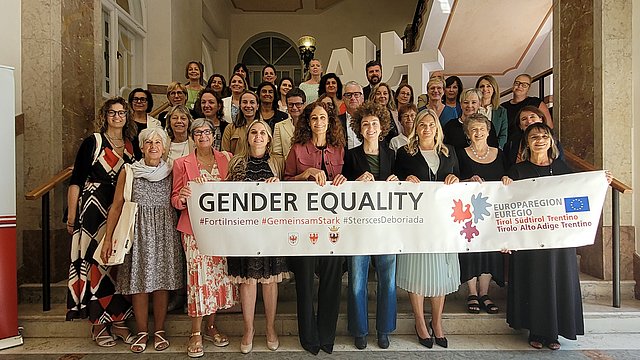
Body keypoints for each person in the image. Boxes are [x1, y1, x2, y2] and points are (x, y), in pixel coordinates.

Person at [501, 122, 612, 350]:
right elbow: (507, 205)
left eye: (544, 136)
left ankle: (554, 333)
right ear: (526, 143)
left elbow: (578, 197)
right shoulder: (517, 171)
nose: (539, 140)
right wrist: (506, 186)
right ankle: (535, 331)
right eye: (534, 137)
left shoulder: (563, 170)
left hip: (559, 238)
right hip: (529, 239)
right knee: (534, 281)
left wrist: (601, 182)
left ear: (551, 141)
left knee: (556, 281)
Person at [101, 127, 184, 353]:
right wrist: (108, 239)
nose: (153, 146)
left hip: (165, 232)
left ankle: (159, 330)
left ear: (165, 147)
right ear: (141, 147)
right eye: (148, 142)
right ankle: (141, 331)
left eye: (158, 142)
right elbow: (117, 205)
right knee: (139, 284)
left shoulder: (172, 170)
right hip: (138, 232)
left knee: (161, 283)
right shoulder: (129, 171)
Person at [66, 97, 136, 347]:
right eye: (112, 112)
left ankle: (118, 320)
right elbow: (76, 179)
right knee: (96, 264)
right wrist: (72, 215)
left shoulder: (131, 145)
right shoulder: (93, 142)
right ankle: (98, 324)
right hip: (93, 210)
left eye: (121, 113)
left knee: (117, 264)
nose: (117, 117)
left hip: (120, 210)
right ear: (104, 116)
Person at [171, 118, 239, 358]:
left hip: (221, 229)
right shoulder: (182, 163)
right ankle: (195, 332)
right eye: (197, 132)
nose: (202, 136)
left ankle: (211, 326)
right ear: (192, 137)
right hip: (194, 230)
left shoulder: (227, 158)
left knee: (218, 278)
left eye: (206, 132)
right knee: (198, 278)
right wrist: (183, 194)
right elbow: (175, 200)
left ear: (214, 134)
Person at [284, 101, 347, 355]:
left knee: (332, 280)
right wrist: (305, 173)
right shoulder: (297, 149)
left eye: (323, 118)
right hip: (303, 228)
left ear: (330, 121)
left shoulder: (341, 150)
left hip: (334, 227)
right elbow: (285, 182)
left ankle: (326, 336)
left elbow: (352, 183)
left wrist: (345, 179)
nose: (319, 122)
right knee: (305, 283)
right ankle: (309, 337)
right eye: (314, 119)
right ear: (308, 123)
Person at [394, 109, 461, 349]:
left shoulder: (449, 151)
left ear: (437, 128)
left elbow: (459, 181)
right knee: (418, 271)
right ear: (415, 128)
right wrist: (404, 181)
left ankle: (437, 322)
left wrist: (455, 179)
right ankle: (420, 322)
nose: (426, 127)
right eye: (421, 124)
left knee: (440, 273)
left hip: (443, 223)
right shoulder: (404, 153)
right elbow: (393, 183)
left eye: (430, 123)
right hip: (417, 224)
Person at [226, 119, 289, 354]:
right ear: (247, 136)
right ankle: (249, 328)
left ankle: (271, 328)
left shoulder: (277, 162)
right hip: (243, 231)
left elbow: (290, 193)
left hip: (271, 230)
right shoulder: (236, 162)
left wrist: (278, 185)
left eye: (263, 132)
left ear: (270, 138)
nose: (259, 136)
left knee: (270, 280)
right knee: (247, 281)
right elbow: (226, 194)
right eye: (254, 132)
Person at [343, 102, 398, 350]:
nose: (370, 127)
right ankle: (360, 330)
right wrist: (356, 180)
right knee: (357, 280)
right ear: (359, 128)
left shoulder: (392, 155)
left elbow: (405, 186)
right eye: (365, 124)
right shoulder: (351, 155)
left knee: (387, 280)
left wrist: (398, 180)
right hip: (359, 229)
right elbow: (341, 187)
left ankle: (384, 330)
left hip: (387, 228)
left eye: (374, 123)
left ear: (382, 126)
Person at [455, 113, 505, 316]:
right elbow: (454, 180)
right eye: (473, 129)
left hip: (492, 213)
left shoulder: (500, 153)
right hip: (468, 214)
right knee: (471, 251)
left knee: (490, 251)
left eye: (481, 128)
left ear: (488, 130)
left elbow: (508, 177)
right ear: (468, 133)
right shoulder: (459, 153)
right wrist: (467, 180)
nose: (478, 132)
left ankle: (485, 293)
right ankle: (472, 293)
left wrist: (506, 180)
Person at [501, 73, 553, 142]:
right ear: (513, 85)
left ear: (528, 88)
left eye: (524, 85)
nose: (520, 86)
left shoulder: (536, 102)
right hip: (511, 145)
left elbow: (549, 125)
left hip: (533, 142)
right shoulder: (503, 107)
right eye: (517, 83)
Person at [273, 88, 306, 161]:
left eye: (298, 104)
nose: (294, 108)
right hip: (287, 167)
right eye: (291, 104)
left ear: (304, 104)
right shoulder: (279, 126)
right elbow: (277, 154)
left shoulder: (310, 125)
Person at [476, 75, 508, 149]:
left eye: (488, 86)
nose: (485, 89)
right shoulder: (472, 108)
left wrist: (496, 149)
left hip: (494, 150)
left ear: (494, 89)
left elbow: (503, 135)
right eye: (482, 86)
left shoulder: (501, 111)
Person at [339, 81, 365, 149]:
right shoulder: (337, 121)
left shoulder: (369, 120)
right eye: (348, 95)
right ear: (343, 99)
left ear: (362, 98)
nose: (353, 98)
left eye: (356, 94)